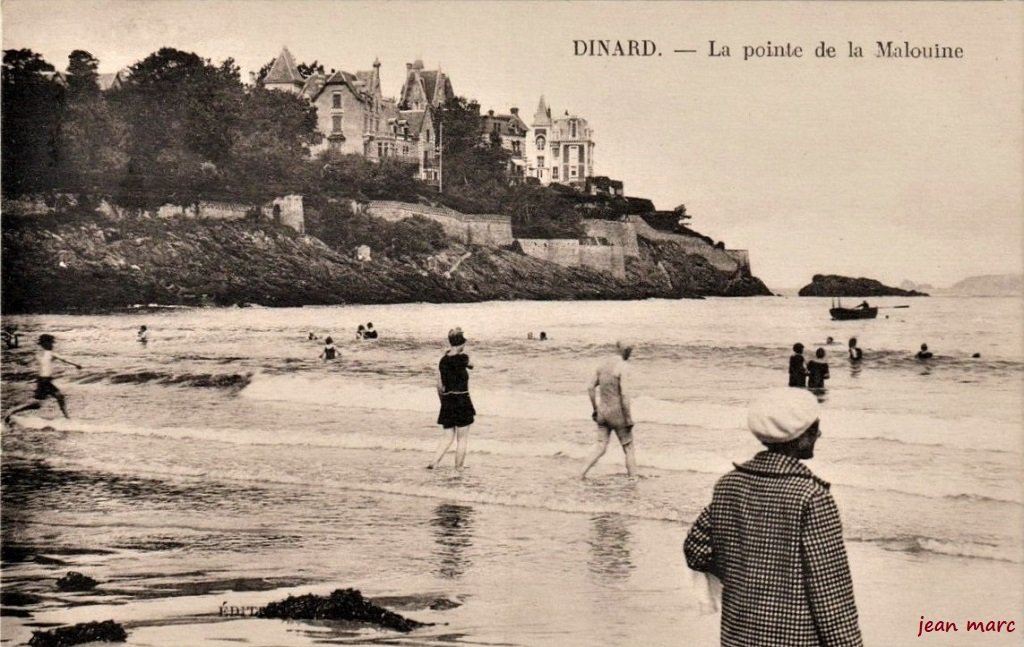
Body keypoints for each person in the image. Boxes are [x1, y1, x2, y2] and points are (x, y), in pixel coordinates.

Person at [684, 388, 863, 647]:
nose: (819, 434)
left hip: (738, 635)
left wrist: (743, 576)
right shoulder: (812, 496)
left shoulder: (728, 484)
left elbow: (696, 550)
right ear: (799, 437)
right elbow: (830, 594)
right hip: (797, 639)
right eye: (814, 429)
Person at [581, 340, 638, 479]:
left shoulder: (603, 365)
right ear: (625, 351)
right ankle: (633, 479)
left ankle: (581, 473)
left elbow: (590, 387)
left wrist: (595, 409)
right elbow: (624, 395)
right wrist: (628, 418)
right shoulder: (623, 367)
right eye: (630, 351)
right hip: (617, 414)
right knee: (629, 448)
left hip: (602, 412)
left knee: (600, 447)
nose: (630, 354)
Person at [5, 334, 82, 422]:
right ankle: (67, 418)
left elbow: (30, 362)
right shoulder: (50, 353)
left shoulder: (39, 354)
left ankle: (13, 411)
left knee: (40, 403)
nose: (52, 345)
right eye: (51, 343)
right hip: (45, 381)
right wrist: (76, 365)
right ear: (45, 343)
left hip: (42, 380)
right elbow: (64, 359)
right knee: (57, 397)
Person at [429, 327, 475, 470]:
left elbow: (439, 385)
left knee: (447, 436)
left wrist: (443, 402)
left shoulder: (443, 361)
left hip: (447, 400)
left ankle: (434, 462)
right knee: (462, 438)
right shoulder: (463, 358)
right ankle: (458, 468)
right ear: (461, 343)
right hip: (462, 399)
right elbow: (472, 365)